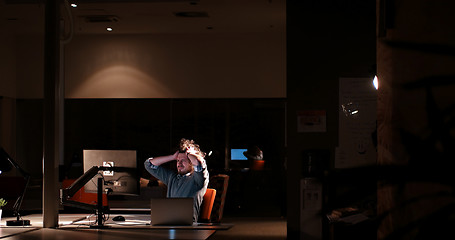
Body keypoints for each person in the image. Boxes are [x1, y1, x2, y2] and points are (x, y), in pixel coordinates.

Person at [144, 138, 209, 222]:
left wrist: (190, 153)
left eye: (183, 160)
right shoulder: (172, 177)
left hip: (187, 226)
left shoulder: (198, 179)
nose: (179, 163)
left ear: (191, 162)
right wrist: (172, 157)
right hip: (169, 221)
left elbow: (198, 163)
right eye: (178, 160)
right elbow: (148, 165)